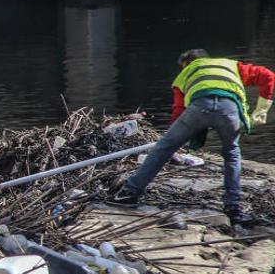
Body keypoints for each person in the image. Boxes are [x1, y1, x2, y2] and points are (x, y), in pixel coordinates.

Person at [109, 49, 273, 224]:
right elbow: (268, 76)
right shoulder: (231, 65)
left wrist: (174, 137)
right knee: (232, 154)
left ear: (187, 64)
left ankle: (129, 193)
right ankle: (234, 208)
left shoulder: (186, 73)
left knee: (164, 148)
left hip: (199, 108)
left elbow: (179, 110)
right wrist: (261, 110)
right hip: (229, 110)